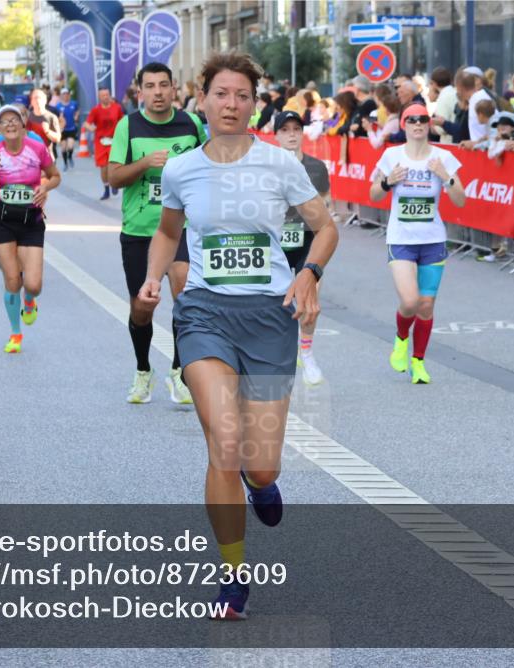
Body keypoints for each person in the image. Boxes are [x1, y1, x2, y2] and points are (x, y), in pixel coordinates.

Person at [138, 52, 337, 619]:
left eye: (242, 95)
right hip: (204, 312)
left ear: (255, 102)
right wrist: (155, 278)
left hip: (270, 316)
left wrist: (308, 272)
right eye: (220, 94)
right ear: (201, 99)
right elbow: (167, 231)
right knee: (223, 442)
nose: (230, 104)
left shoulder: (280, 165)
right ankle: (232, 572)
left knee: (261, 462)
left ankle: (263, 483)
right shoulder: (180, 168)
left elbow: (325, 228)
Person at [107, 62, 207, 404]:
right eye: (150, 86)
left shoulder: (192, 124)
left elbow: (210, 167)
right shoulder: (129, 125)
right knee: (142, 306)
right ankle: (143, 369)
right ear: (141, 92)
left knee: (185, 296)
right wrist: (145, 163)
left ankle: (179, 372)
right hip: (140, 230)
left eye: (164, 85)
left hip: (182, 228)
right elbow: (113, 177)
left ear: (174, 88)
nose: (158, 92)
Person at [369, 104, 466, 384]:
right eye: (411, 120)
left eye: (422, 119)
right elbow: (374, 194)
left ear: (429, 124)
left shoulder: (443, 158)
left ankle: (418, 362)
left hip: (433, 240)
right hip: (401, 240)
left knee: (426, 306)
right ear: (404, 124)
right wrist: (388, 182)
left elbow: (461, 200)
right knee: (410, 301)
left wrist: (445, 177)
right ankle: (401, 340)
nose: (417, 124)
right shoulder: (391, 155)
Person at [0, 104, 61, 353]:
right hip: (2, 221)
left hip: (31, 221)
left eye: (14, 119)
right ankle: (16, 334)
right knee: (12, 279)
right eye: (4, 121)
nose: (10, 124)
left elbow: (55, 175)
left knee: (33, 284)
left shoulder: (37, 148)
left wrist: (44, 187)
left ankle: (29, 299)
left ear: (23, 123)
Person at [274, 110, 332, 385]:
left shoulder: (316, 167)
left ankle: (306, 353)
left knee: (310, 300)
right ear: (275, 135)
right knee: (273, 306)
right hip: (273, 244)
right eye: (285, 130)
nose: (291, 134)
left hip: (305, 240)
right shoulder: (265, 165)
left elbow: (324, 207)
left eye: (296, 128)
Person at [83, 86, 125, 200]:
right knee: (104, 168)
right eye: (102, 96)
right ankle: (106, 189)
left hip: (114, 141)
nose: (105, 97)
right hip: (101, 141)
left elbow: (122, 120)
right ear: (99, 97)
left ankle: (114, 184)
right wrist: (91, 128)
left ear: (109, 95)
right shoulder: (96, 110)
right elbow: (86, 123)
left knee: (113, 166)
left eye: (107, 95)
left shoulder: (117, 107)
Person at [26, 88, 61, 161]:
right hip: (31, 157)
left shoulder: (51, 117)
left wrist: (47, 131)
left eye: (39, 98)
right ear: (31, 101)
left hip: (47, 156)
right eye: (35, 98)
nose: (37, 100)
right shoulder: (27, 117)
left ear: (45, 100)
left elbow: (58, 138)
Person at [56, 88, 79, 170]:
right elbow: (56, 117)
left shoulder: (74, 104)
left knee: (70, 146)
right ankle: (65, 164)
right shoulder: (58, 106)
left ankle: (70, 157)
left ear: (69, 95)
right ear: (61, 96)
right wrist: (60, 118)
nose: (66, 96)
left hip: (71, 128)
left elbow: (77, 111)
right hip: (62, 130)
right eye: (64, 94)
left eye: (67, 94)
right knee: (63, 148)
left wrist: (76, 116)